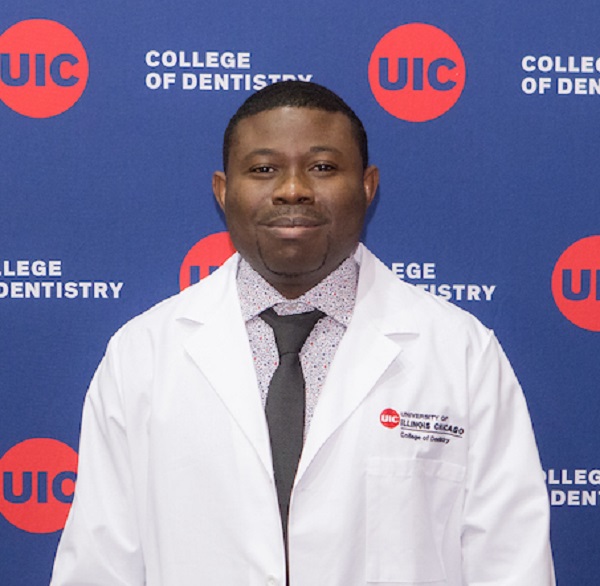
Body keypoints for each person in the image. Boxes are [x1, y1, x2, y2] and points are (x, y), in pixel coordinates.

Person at [51, 81, 555, 585]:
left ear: (368, 185)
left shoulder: (460, 353)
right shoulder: (143, 355)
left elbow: (511, 562)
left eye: (323, 167)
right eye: (263, 169)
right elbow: (99, 565)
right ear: (223, 191)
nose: (292, 189)